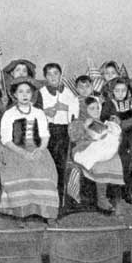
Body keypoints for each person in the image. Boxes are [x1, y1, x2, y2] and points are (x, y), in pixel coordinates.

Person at [0, 77, 59, 226]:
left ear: (32, 94)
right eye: (20, 92)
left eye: (28, 92)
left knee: (44, 173)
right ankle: (20, 215)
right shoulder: (9, 114)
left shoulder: (38, 113)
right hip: (15, 150)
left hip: (37, 149)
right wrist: (23, 153)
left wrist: (40, 150)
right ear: (14, 95)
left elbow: (45, 136)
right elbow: (6, 140)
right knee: (20, 174)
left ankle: (49, 215)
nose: (24, 95)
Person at [68, 96, 124, 212]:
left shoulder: (101, 122)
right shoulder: (79, 122)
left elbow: (106, 135)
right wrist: (85, 131)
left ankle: (111, 197)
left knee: (114, 159)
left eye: (98, 108)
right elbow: (75, 138)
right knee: (101, 165)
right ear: (84, 109)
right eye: (91, 109)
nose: (96, 111)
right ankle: (101, 198)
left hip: (99, 150)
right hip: (83, 150)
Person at [39, 63, 79, 200]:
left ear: (61, 75)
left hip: (64, 131)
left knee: (62, 163)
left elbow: (75, 112)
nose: (53, 77)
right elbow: (36, 112)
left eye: (56, 73)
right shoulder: (41, 93)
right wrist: (46, 112)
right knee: (49, 163)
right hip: (49, 130)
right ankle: (49, 194)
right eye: (49, 74)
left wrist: (66, 108)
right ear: (45, 77)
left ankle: (61, 192)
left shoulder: (68, 93)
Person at [100, 77, 132, 205]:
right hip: (114, 141)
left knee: (126, 167)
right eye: (117, 90)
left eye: (123, 90)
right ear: (112, 91)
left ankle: (126, 192)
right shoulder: (109, 104)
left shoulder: (130, 105)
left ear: (127, 92)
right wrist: (110, 120)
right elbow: (102, 119)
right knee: (114, 167)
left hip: (127, 139)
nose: (120, 93)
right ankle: (112, 194)